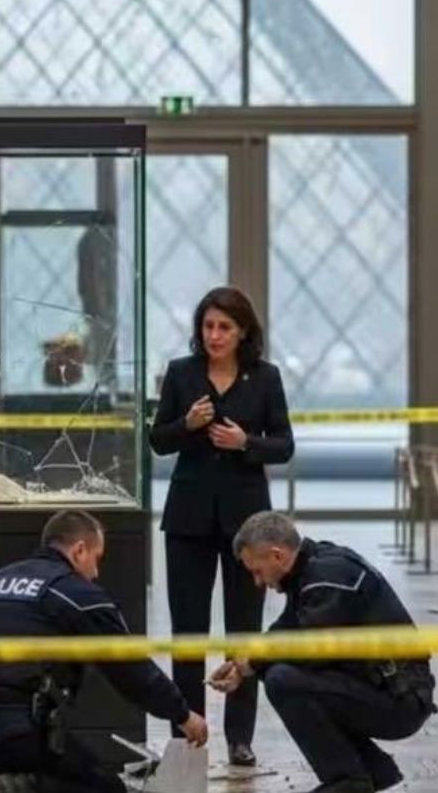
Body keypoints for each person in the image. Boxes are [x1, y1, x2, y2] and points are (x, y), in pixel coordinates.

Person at [0, 509, 208, 793]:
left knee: (11, 759)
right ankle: (25, 787)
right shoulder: (75, 592)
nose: (96, 573)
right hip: (17, 727)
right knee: (105, 788)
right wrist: (182, 715)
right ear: (79, 551)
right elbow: (130, 668)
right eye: (97, 559)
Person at [148, 286, 294, 766]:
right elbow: (158, 440)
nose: (214, 335)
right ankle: (186, 732)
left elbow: (284, 445)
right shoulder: (181, 373)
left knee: (243, 629)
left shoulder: (266, 377)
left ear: (243, 331)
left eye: (224, 327)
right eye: (208, 326)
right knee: (187, 629)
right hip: (188, 519)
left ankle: (239, 738)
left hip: (247, 525)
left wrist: (245, 442)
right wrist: (187, 424)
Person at [208, 511, 435, 793]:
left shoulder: (326, 578)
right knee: (282, 673)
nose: (258, 582)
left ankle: (348, 780)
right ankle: (374, 771)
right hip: (381, 688)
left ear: (277, 555)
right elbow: (286, 629)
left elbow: (310, 650)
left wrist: (254, 662)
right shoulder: (312, 569)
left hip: (399, 702)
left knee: (283, 680)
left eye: (257, 571)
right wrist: (243, 664)